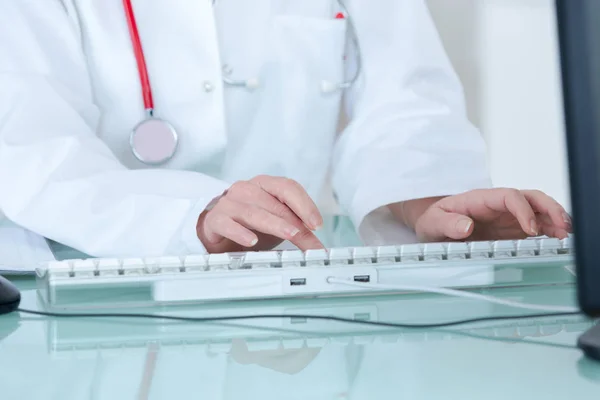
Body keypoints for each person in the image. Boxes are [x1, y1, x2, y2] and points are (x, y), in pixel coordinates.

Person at [0, 0, 571, 258]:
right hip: (79, 308)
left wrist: (432, 201)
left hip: (292, 303)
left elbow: (402, 97)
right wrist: (190, 216)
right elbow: (32, 146)